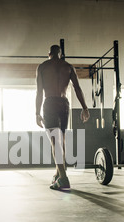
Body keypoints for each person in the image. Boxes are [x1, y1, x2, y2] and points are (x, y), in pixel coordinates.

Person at [35, 44, 90, 190]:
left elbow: (39, 92)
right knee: (62, 141)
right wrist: (85, 108)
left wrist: (37, 113)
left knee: (55, 141)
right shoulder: (68, 66)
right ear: (60, 54)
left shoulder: (43, 67)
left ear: (49, 53)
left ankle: (64, 178)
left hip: (50, 103)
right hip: (64, 104)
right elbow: (77, 88)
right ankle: (58, 173)